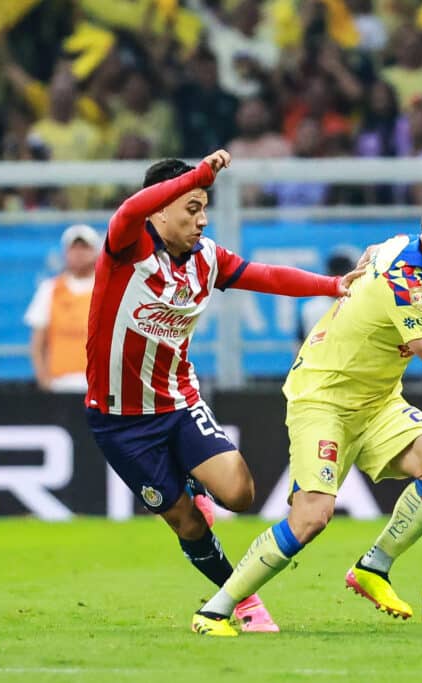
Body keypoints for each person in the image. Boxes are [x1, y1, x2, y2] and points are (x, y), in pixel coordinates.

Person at [187, 189, 422, 636]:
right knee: (311, 518)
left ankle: (373, 566)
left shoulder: (410, 246)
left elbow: (402, 249)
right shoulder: (405, 283)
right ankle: (214, 610)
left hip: (378, 402)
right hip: (324, 400)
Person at [84, 149, 361, 635]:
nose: (202, 220)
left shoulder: (205, 259)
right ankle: (243, 600)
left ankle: (193, 484)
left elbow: (266, 275)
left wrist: (332, 284)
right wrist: (199, 173)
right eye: (192, 207)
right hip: (121, 421)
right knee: (188, 524)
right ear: (161, 208)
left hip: (179, 401)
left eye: (205, 207)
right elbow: (129, 210)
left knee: (239, 492)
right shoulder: (127, 247)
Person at [24, 224, 100, 392]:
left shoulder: (109, 289)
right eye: (74, 248)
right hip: (60, 384)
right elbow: (37, 342)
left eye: (84, 248)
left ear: (95, 252)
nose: (79, 253)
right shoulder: (50, 289)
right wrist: (44, 380)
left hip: (100, 386)